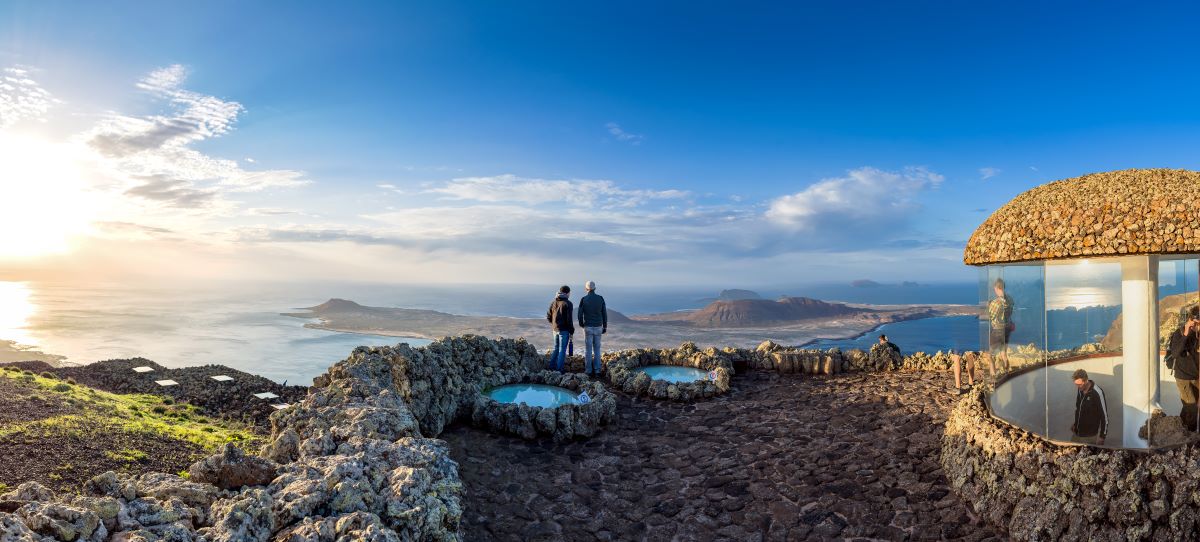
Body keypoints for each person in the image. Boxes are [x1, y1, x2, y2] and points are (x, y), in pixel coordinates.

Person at [1167, 307, 1200, 431]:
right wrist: (1186, 333)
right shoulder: (1179, 333)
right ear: (1191, 320)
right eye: (1196, 323)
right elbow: (1175, 353)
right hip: (1183, 377)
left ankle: (1180, 427)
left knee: (1190, 405)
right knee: (1192, 408)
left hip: (1196, 375)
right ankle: (1190, 437)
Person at [577, 280, 608, 378]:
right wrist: (605, 325)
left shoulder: (583, 299)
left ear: (586, 289)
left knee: (588, 350)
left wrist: (582, 324)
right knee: (597, 349)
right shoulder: (600, 298)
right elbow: (604, 313)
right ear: (595, 288)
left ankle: (588, 371)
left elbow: (579, 314)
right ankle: (597, 371)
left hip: (588, 327)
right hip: (598, 326)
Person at [1070, 369, 1108, 446]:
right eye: (1076, 384)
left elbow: (1104, 417)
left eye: (1079, 384)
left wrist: (1102, 437)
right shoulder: (1080, 389)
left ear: (1086, 380)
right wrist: (1075, 424)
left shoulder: (1097, 393)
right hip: (1076, 433)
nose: (1078, 387)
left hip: (1089, 437)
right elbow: (1079, 408)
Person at [988, 278, 1014, 376]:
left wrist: (989, 305)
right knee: (1003, 353)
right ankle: (1008, 372)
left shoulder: (995, 303)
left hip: (997, 331)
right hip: (1006, 330)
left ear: (997, 288)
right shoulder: (1010, 299)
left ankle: (993, 374)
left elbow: (990, 315)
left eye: (995, 288)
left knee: (990, 353)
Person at [545, 285, 575, 372]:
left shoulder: (553, 302)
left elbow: (548, 316)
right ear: (567, 293)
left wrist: (554, 324)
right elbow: (569, 320)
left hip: (555, 330)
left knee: (556, 348)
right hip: (564, 330)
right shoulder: (568, 304)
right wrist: (571, 330)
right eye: (569, 293)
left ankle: (551, 367)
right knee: (562, 350)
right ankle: (559, 370)